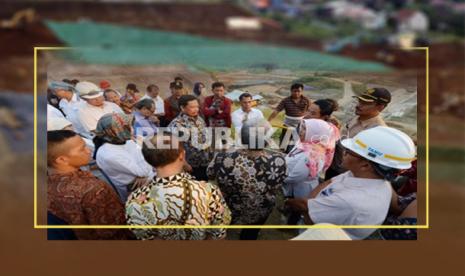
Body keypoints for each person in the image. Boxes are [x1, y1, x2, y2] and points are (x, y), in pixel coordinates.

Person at [285, 126, 416, 240]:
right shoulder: (367, 176)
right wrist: (311, 204)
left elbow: (310, 220)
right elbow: (330, 182)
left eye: (349, 152)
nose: (343, 153)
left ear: (365, 165)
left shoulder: (352, 202)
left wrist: (304, 205)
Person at [126, 134, 231, 240]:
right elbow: (219, 234)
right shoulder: (208, 191)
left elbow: (144, 238)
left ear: (148, 160)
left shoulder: (134, 201)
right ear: (182, 155)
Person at [207, 121, 287, 240]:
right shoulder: (278, 161)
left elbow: (210, 174)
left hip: (230, 205)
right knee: (250, 233)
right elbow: (277, 185)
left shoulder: (222, 157)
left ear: (242, 138)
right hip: (260, 208)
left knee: (227, 225)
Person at [47, 130, 132, 239]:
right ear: (62, 159)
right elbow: (116, 230)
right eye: (82, 149)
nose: (88, 151)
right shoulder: (94, 189)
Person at [327, 88, 392, 179]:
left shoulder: (378, 131)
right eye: (359, 101)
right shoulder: (358, 117)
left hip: (349, 173)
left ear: (380, 107)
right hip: (335, 164)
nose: (358, 105)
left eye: (365, 103)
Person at [93, 113, 155, 202]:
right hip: (135, 190)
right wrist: (141, 145)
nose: (132, 129)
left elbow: (143, 168)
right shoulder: (109, 155)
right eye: (127, 127)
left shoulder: (122, 140)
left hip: (146, 179)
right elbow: (143, 171)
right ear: (115, 131)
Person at [284, 119, 339, 200]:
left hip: (300, 192)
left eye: (305, 129)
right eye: (302, 127)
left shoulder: (313, 155)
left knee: (296, 209)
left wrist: (279, 178)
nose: (301, 131)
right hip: (292, 185)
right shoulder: (305, 143)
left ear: (317, 134)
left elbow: (296, 177)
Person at [168, 95, 211, 181]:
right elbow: (174, 148)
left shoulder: (199, 119)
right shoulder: (177, 124)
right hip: (190, 165)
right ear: (182, 108)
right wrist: (184, 164)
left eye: (197, 107)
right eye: (192, 107)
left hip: (204, 161)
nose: (196, 109)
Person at [268, 83, 311, 152]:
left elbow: (310, 112)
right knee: (283, 145)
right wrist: (268, 121)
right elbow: (277, 110)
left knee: (297, 145)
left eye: (299, 91)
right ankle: (282, 156)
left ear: (302, 91)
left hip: (301, 127)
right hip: (287, 125)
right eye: (294, 91)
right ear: (291, 91)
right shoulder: (286, 100)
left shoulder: (306, 100)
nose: (297, 93)